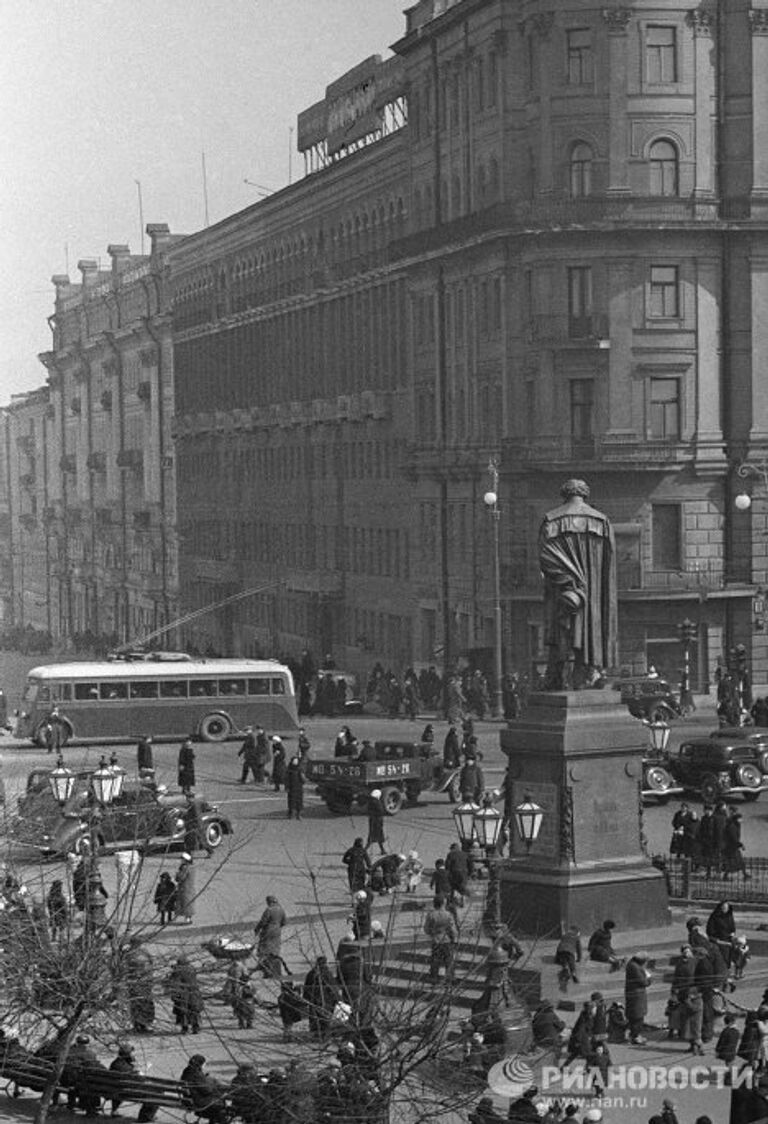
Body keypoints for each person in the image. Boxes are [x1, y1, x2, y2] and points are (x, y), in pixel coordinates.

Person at [539, 479, 617, 690]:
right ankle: (586, 674)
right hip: (593, 592)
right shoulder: (602, 521)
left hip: (563, 591)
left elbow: (545, 556)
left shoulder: (551, 519)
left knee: (562, 631)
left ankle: (560, 677)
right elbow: (609, 563)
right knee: (590, 628)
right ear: (585, 495)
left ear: (564, 494)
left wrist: (567, 580)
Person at [180, 1054, 227, 1124]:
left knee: (218, 1103)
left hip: (189, 1099)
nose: (204, 1065)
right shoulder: (196, 1074)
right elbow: (207, 1091)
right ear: (200, 1064)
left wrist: (203, 1078)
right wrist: (210, 1085)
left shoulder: (186, 1071)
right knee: (220, 1104)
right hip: (198, 1101)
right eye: (204, 1064)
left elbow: (196, 1084)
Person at [123, 935, 156, 1033]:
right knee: (141, 1004)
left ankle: (140, 1025)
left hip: (137, 983)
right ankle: (142, 1025)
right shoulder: (144, 953)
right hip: (142, 983)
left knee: (138, 1004)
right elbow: (151, 966)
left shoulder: (128, 954)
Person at [304, 955, 338, 1040]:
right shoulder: (327, 973)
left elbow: (306, 987)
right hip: (326, 1000)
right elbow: (332, 987)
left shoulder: (311, 973)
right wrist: (337, 998)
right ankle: (324, 1036)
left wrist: (306, 998)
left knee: (314, 1017)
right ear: (326, 963)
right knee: (325, 1017)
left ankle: (315, 1034)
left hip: (313, 999)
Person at [424, 895, 457, 982]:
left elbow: (426, 929)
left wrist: (432, 933)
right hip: (446, 940)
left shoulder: (431, 915)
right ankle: (450, 977)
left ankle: (434, 977)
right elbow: (452, 929)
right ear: (443, 903)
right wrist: (454, 938)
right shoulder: (448, 915)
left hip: (436, 940)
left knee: (435, 960)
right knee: (448, 960)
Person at [167, 956, 204, 1034]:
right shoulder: (192, 969)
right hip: (194, 992)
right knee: (194, 1010)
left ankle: (185, 1028)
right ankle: (195, 1027)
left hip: (183, 993)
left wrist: (174, 994)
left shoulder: (178, 971)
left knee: (183, 1011)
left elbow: (175, 983)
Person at [253, 894, 286, 978]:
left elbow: (263, 921)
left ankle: (263, 966)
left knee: (264, 948)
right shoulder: (281, 909)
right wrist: (277, 927)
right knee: (275, 948)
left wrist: (257, 929)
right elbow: (284, 922)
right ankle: (274, 966)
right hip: (277, 931)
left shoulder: (269, 910)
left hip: (268, 931)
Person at [625, 951, 652, 1044]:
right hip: (637, 996)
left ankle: (634, 1035)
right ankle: (636, 1036)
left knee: (635, 1016)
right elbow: (644, 982)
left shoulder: (632, 965)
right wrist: (649, 978)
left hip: (634, 994)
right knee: (638, 1017)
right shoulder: (635, 968)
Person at [109, 1043, 137, 1117]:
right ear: (128, 1054)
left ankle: (114, 1110)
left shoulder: (114, 1063)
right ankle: (145, 1116)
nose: (133, 1055)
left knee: (117, 1085)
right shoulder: (127, 1067)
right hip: (125, 1091)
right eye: (132, 1053)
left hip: (113, 1089)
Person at [707, 900, 736, 965]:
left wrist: (732, 934)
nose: (725, 910)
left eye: (726, 908)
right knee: (724, 951)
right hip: (718, 939)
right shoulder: (714, 916)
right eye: (723, 908)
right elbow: (710, 932)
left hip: (728, 938)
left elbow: (732, 928)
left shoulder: (729, 916)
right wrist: (721, 941)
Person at [724, 810, 750, 881]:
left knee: (737, 862)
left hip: (733, 847)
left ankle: (744, 874)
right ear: (736, 819)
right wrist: (741, 845)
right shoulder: (732, 827)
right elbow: (734, 838)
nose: (742, 820)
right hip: (731, 848)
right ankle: (725, 876)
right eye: (740, 819)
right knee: (736, 862)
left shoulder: (736, 825)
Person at [175, 853, 195, 924]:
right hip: (189, 888)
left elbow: (180, 878)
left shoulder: (185, 868)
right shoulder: (192, 867)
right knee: (188, 903)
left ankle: (187, 920)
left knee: (186, 903)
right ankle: (188, 919)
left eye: (182, 859)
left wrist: (177, 874)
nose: (181, 861)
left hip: (185, 888)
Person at [366, 789, 386, 854]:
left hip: (372, 821)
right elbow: (381, 811)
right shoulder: (377, 803)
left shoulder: (370, 802)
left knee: (372, 836)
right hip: (377, 822)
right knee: (378, 836)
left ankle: (382, 850)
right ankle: (364, 850)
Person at [285, 755, 304, 820]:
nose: (295, 762)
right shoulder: (289, 770)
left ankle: (298, 814)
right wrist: (287, 787)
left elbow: (303, 780)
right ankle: (291, 814)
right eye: (294, 761)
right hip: (292, 788)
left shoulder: (299, 770)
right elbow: (286, 779)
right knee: (292, 801)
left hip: (298, 788)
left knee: (298, 801)